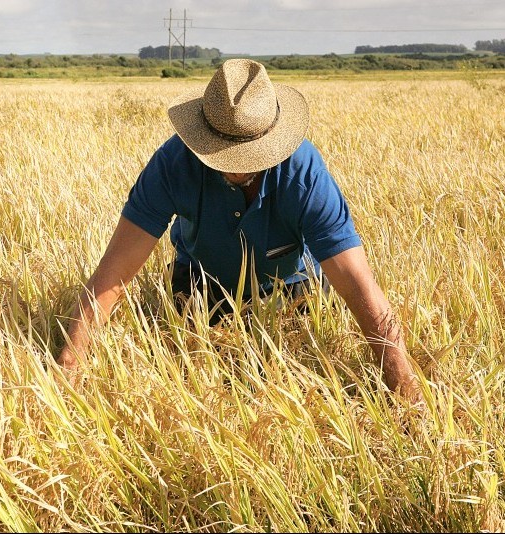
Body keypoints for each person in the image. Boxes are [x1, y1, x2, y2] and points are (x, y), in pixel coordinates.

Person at [57, 59, 421, 400]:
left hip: (293, 289)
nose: (236, 170)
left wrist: (402, 383)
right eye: (222, 155)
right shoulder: (172, 164)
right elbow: (114, 272)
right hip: (203, 288)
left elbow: (356, 281)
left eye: (250, 157)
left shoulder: (304, 173)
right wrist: (70, 364)